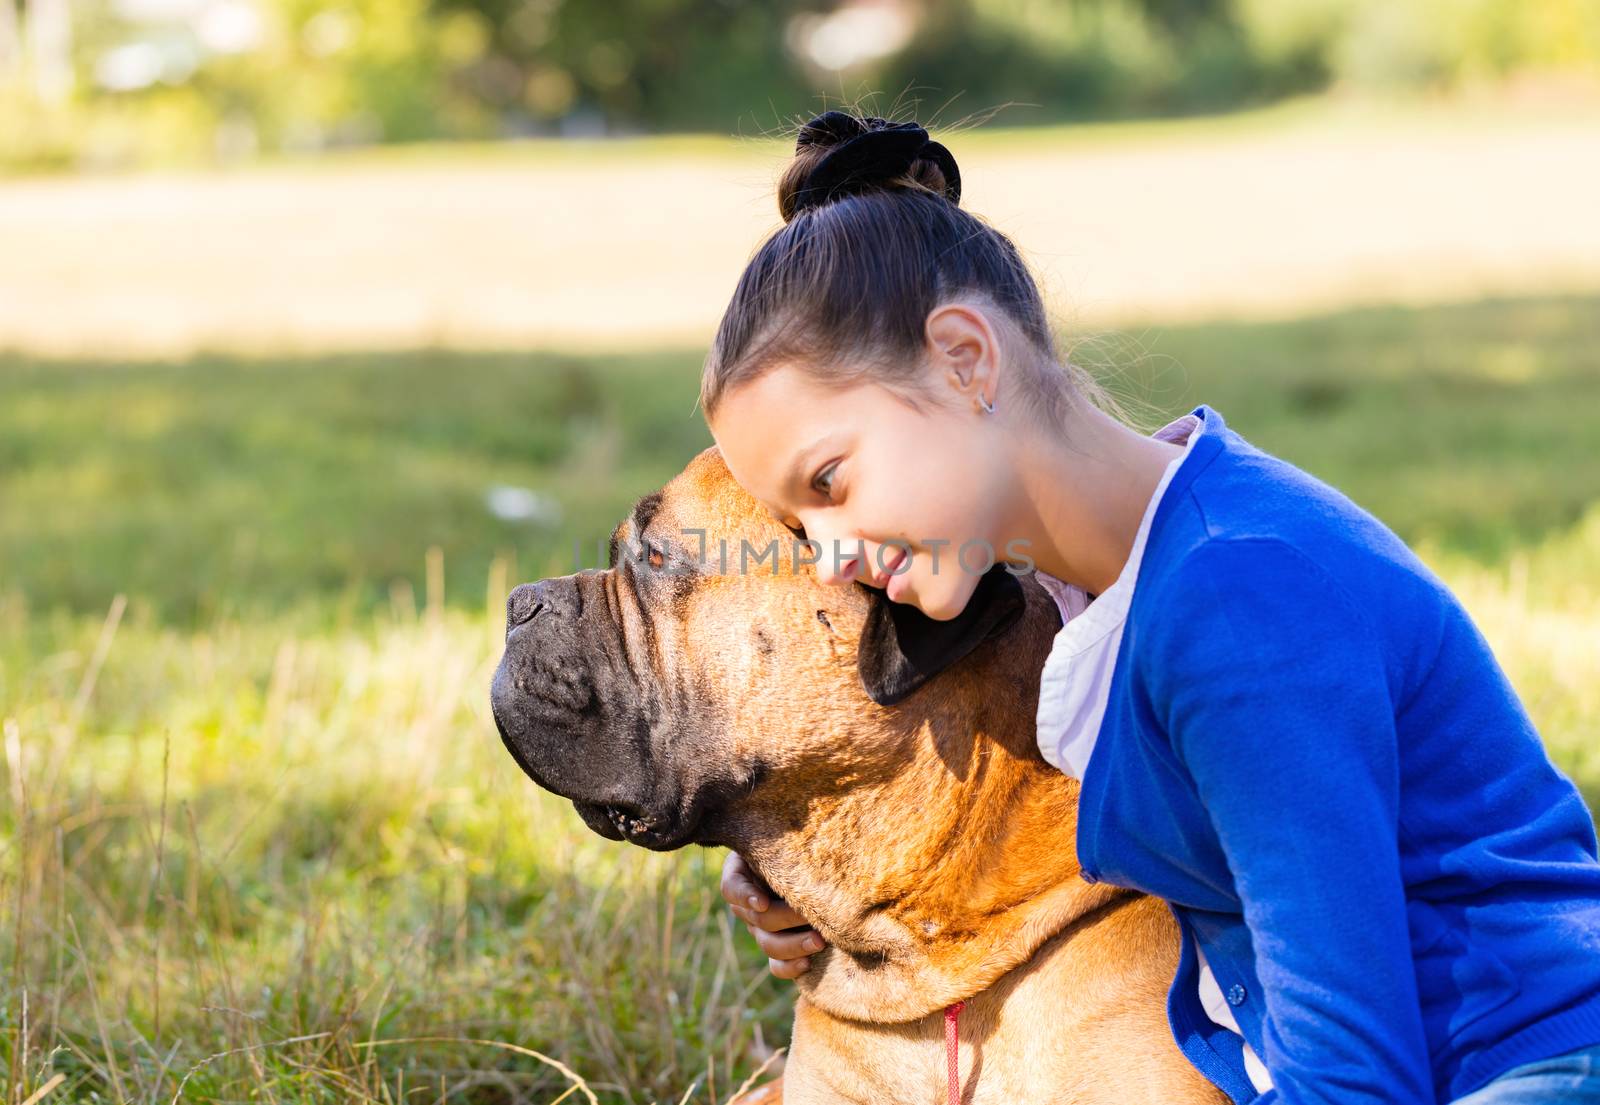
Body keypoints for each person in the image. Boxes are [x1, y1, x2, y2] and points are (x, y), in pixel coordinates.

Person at [694, 109, 1600, 1104]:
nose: (829, 558)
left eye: (828, 481)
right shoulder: (1085, 585)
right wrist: (805, 884)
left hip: (1515, 1059)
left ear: (964, 358)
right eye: (794, 522)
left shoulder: (1232, 601)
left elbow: (1357, 1066)